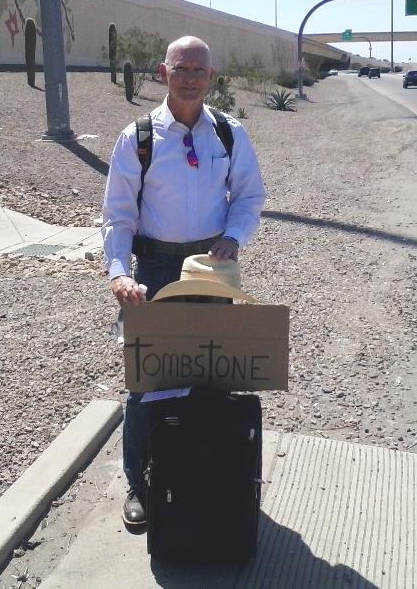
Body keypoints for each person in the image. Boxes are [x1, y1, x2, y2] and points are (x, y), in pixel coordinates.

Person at [101, 36, 266, 525]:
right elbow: (117, 215)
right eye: (181, 68)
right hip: (153, 272)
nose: (191, 77)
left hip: (212, 272)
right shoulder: (139, 137)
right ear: (163, 72)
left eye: (199, 70)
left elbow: (250, 197)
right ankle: (138, 484)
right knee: (147, 383)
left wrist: (234, 237)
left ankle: (208, 472)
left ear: (211, 77)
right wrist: (118, 275)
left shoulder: (229, 133)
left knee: (214, 373)